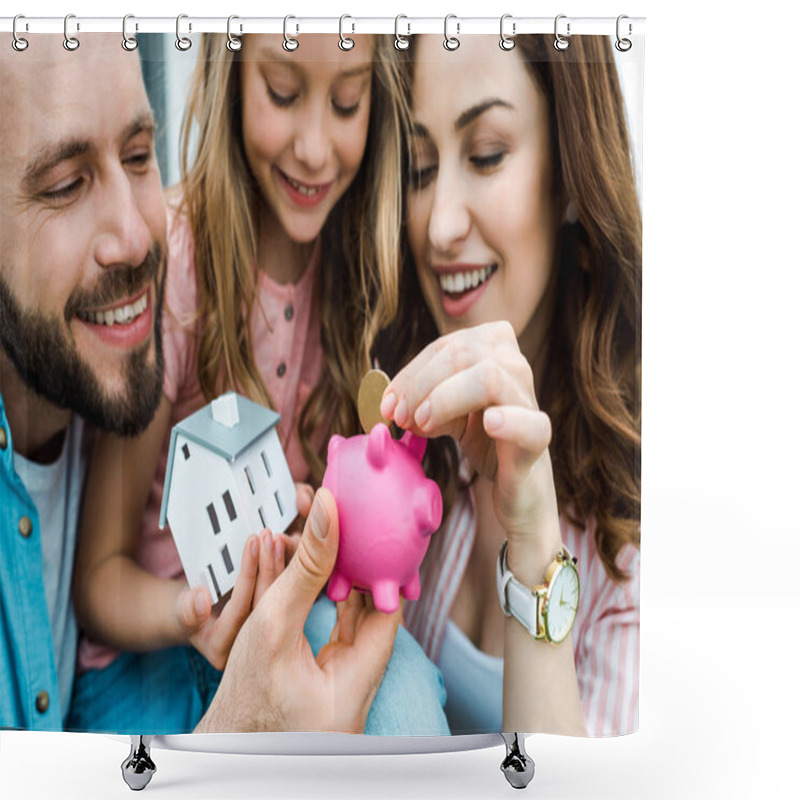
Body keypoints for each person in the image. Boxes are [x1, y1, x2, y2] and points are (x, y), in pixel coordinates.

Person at [0, 33, 408, 737]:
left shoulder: (361, 280)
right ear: (232, 75)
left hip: (276, 621)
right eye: (282, 93)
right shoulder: (176, 274)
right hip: (150, 649)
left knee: (406, 707)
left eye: (347, 102)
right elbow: (97, 581)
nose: (314, 148)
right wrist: (189, 614)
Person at [377, 34, 641, 736]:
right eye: (421, 167)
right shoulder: (416, 427)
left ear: (568, 173)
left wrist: (531, 538)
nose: (439, 225)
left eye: (487, 154)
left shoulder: (647, 518)